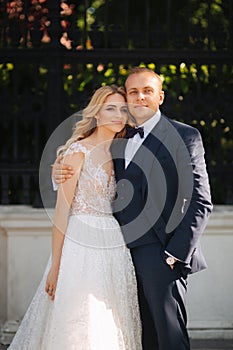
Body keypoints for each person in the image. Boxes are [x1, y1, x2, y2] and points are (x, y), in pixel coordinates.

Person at [53, 67, 213, 350]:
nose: (139, 97)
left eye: (147, 91)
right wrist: (59, 171)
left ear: (160, 97)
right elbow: (88, 168)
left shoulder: (185, 136)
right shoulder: (118, 136)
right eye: (133, 92)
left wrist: (176, 254)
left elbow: (200, 201)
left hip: (162, 252)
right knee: (136, 335)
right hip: (116, 253)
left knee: (169, 334)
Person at [8, 85, 142, 350]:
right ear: (96, 114)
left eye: (123, 110)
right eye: (111, 108)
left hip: (112, 244)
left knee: (110, 315)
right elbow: (61, 212)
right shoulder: (77, 152)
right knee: (80, 315)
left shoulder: (115, 151)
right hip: (81, 244)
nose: (118, 115)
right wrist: (56, 266)